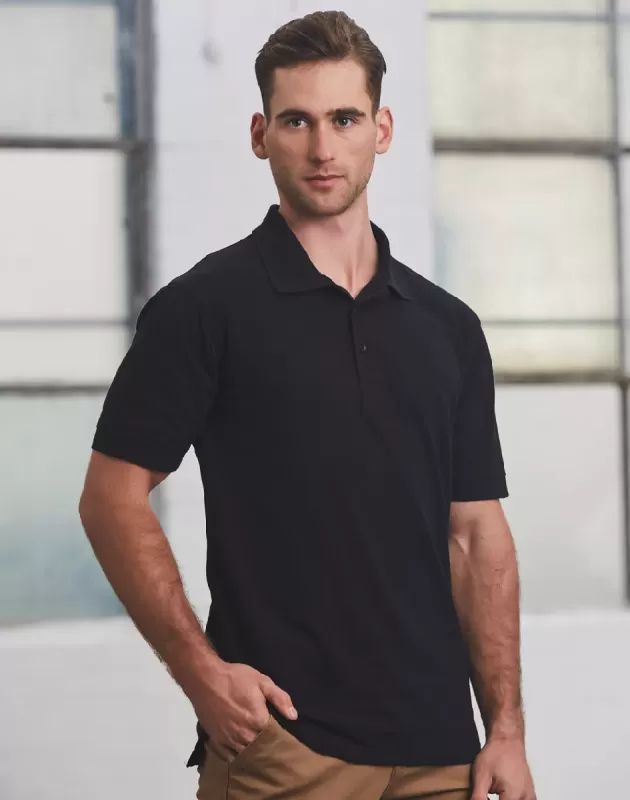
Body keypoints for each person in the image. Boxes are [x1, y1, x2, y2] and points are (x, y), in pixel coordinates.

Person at [79, 10, 536, 800]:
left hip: (443, 753)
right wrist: (201, 673)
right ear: (261, 135)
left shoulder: (448, 328)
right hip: (286, 751)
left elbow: (475, 535)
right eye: (297, 121)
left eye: (345, 119)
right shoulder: (203, 310)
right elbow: (110, 499)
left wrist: (506, 729)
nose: (323, 148)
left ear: (381, 129)